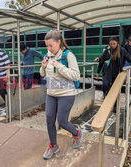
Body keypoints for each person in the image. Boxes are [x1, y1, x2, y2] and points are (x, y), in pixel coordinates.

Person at [40, 30, 82, 160]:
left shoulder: (68, 55)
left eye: (51, 45)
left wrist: (60, 67)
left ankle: (77, 133)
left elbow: (76, 75)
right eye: (47, 46)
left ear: (59, 42)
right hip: (51, 93)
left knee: (62, 121)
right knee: (49, 119)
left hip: (66, 93)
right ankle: (53, 145)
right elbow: (43, 74)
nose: (49, 48)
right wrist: (43, 67)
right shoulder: (47, 55)